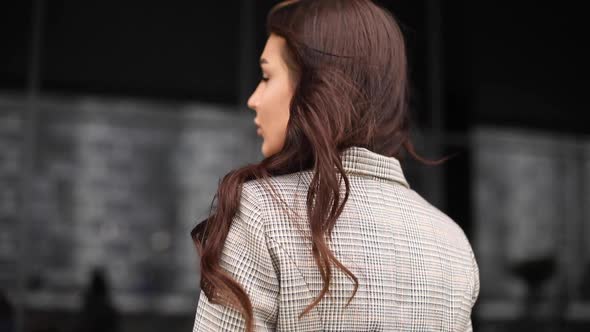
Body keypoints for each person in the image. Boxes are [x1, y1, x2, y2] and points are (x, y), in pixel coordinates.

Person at [191, 0, 479, 331]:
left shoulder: (261, 214)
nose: (253, 99)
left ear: (317, 88)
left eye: (267, 76)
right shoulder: (452, 242)